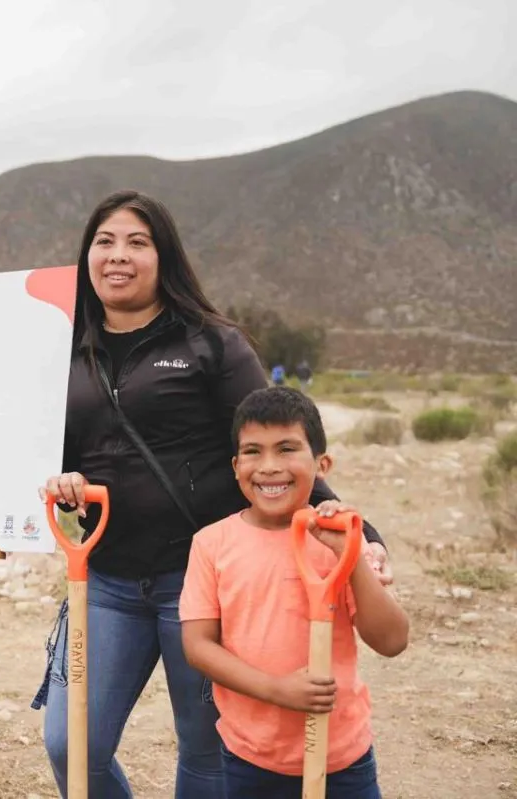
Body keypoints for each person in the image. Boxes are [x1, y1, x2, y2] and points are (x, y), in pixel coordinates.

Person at [33, 189, 392, 799]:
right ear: (86, 256)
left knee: (205, 752)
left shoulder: (211, 343)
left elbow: (276, 448)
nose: (118, 256)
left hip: (200, 579)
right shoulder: (61, 347)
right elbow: (52, 454)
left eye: (137, 242)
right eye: (105, 242)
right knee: (72, 746)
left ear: (163, 257)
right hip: (106, 579)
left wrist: (366, 537)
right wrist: (62, 485)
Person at [180, 387, 409, 797]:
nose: (269, 467)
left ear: (322, 465)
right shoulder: (211, 544)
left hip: (341, 757)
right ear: (235, 466)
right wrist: (276, 689)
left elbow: (392, 640)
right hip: (250, 756)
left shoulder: (337, 541)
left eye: (287, 449)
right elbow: (198, 646)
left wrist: (350, 555)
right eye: (253, 451)